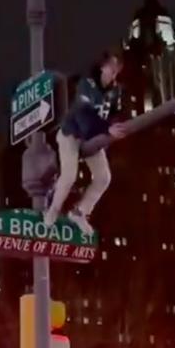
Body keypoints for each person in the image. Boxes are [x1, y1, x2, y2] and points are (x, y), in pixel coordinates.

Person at [43, 51, 128, 235]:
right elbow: (84, 116)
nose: (114, 72)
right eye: (111, 67)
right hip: (71, 134)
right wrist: (107, 129)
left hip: (92, 138)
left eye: (117, 69)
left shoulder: (116, 91)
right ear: (102, 67)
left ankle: (80, 212)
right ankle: (53, 210)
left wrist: (113, 127)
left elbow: (116, 114)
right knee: (69, 176)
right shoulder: (86, 84)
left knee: (104, 177)